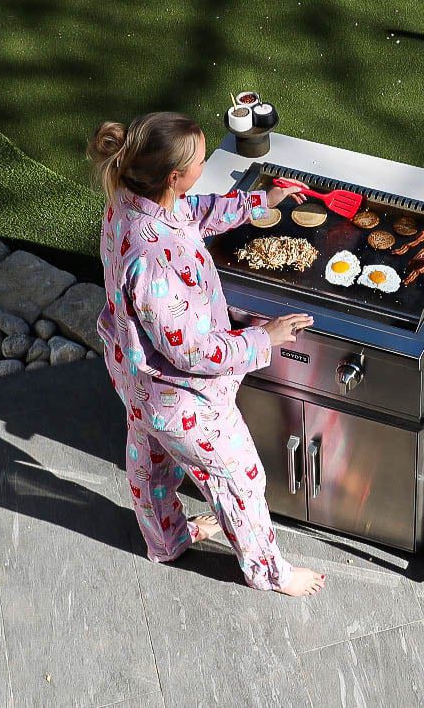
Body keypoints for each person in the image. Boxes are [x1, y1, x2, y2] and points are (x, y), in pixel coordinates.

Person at [88, 112, 327, 597]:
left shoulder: (131, 199)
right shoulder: (150, 262)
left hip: (134, 375)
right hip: (179, 396)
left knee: (150, 460)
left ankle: (167, 540)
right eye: (198, 161)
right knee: (241, 477)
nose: (203, 166)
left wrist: (261, 202)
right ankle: (269, 573)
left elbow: (194, 211)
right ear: (174, 176)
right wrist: (266, 337)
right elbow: (191, 353)